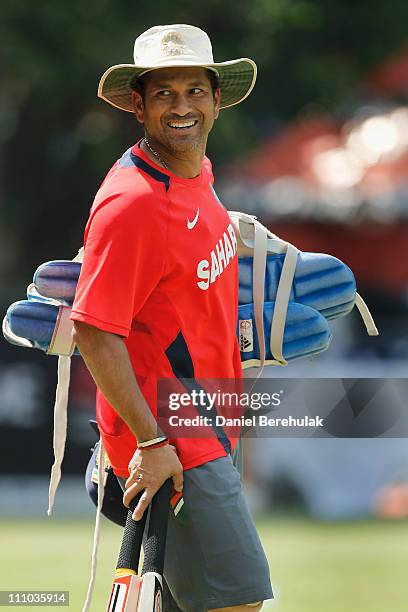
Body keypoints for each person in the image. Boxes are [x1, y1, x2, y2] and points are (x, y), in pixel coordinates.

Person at [71, 24, 272, 612]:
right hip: (172, 440)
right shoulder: (132, 203)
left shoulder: (199, 176)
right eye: (164, 93)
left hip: (209, 423)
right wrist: (152, 441)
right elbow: (93, 329)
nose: (181, 107)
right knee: (239, 601)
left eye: (194, 91)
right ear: (138, 104)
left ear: (216, 99)